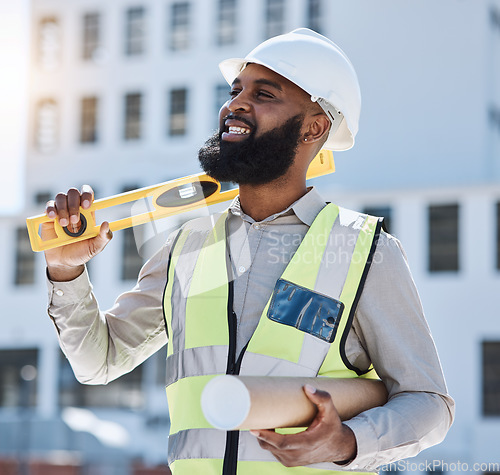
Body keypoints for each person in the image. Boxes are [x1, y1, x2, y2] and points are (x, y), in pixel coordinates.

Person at [43, 29, 454, 474]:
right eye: (235, 90)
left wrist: (348, 441)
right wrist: (66, 274)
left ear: (315, 127)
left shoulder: (365, 251)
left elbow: (428, 403)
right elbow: (99, 361)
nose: (235, 104)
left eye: (264, 94)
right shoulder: (186, 247)